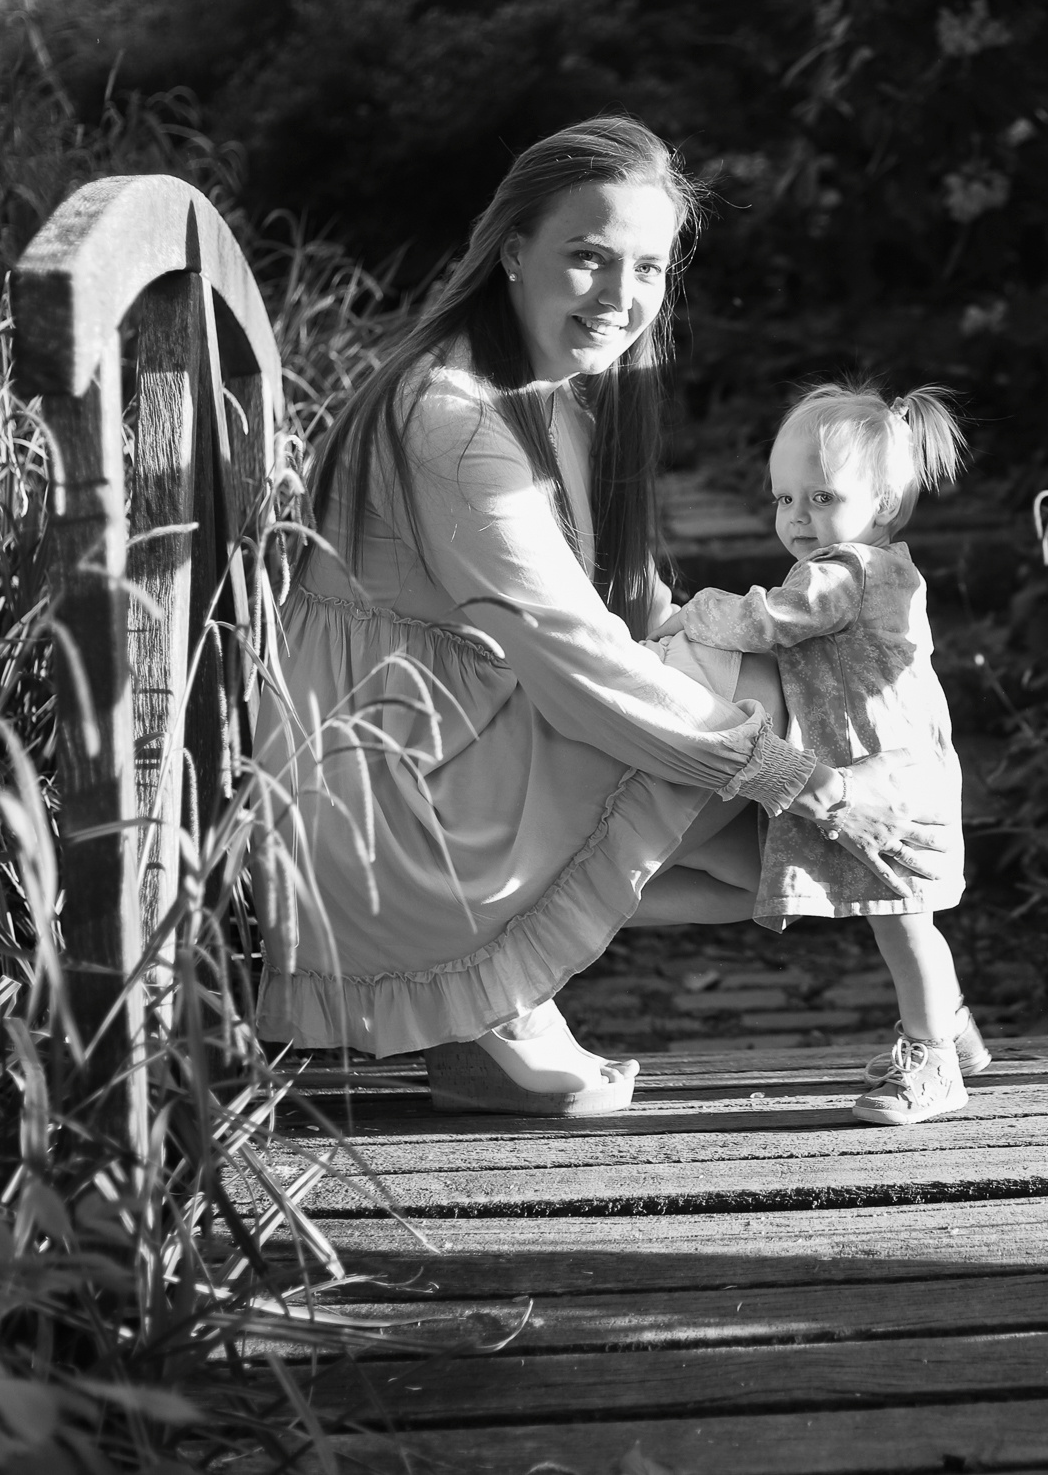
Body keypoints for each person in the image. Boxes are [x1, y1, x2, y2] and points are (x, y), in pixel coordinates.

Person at [253, 117, 947, 1114]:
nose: (621, 300)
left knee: (772, 721)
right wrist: (818, 788)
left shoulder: (564, 392)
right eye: (586, 257)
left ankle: (923, 991)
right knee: (768, 718)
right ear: (511, 252)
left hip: (466, 735)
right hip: (394, 798)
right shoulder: (452, 421)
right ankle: (481, 980)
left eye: (648, 269)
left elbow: (625, 609)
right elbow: (573, 655)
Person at [653, 384, 986, 1126]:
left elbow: (768, 621)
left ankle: (933, 1058)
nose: (797, 517)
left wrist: (691, 612)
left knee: (903, 920)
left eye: (822, 496)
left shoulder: (845, 572)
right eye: (783, 499)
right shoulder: (880, 564)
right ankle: (950, 1029)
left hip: (883, 777)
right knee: (904, 917)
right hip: (897, 764)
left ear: (886, 503)